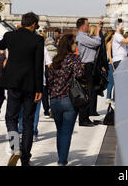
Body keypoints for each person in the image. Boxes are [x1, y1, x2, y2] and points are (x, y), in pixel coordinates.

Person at [0, 12, 44, 166]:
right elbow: (39, 66)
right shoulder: (38, 39)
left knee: (10, 118)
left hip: (13, 83)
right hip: (30, 85)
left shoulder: (10, 36)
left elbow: (0, 46)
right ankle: (25, 159)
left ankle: (15, 147)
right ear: (33, 24)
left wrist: (15, 31)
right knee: (28, 121)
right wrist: (39, 89)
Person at [47, 34, 85, 166]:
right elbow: (79, 74)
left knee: (60, 131)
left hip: (55, 100)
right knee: (66, 132)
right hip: (69, 100)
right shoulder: (74, 58)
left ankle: (61, 158)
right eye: (75, 43)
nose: (76, 45)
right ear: (70, 45)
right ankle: (62, 161)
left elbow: (50, 81)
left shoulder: (55, 60)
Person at [19, 37, 52, 142]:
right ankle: (33, 132)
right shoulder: (42, 48)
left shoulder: (22, 47)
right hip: (39, 82)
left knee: (22, 108)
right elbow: (49, 64)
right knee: (35, 109)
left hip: (24, 82)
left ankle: (21, 131)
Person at [75, 18, 102, 126]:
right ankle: (83, 119)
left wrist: (98, 29)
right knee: (86, 93)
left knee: (89, 92)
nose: (89, 26)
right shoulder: (82, 37)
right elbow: (97, 43)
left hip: (89, 66)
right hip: (86, 67)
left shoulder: (84, 36)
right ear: (82, 26)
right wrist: (96, 34)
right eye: (87, 24)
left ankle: (86, 117)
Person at [43, 37, 57, 118]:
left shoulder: (44, 50)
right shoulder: (56, 51)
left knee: (44, 94)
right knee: (52, 92)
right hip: (53, 73)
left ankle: (46, 110)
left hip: (45, 72)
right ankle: (52, 109)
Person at [104, 30, 115, 104]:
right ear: (112, 35)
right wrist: (113, 66)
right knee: (111, 81)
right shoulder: (109, 44)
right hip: (110, 64)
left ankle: (112, 97)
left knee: (113, 82)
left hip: (112, 63)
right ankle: (108, 97)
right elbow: (110, 57)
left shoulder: (113, 43)